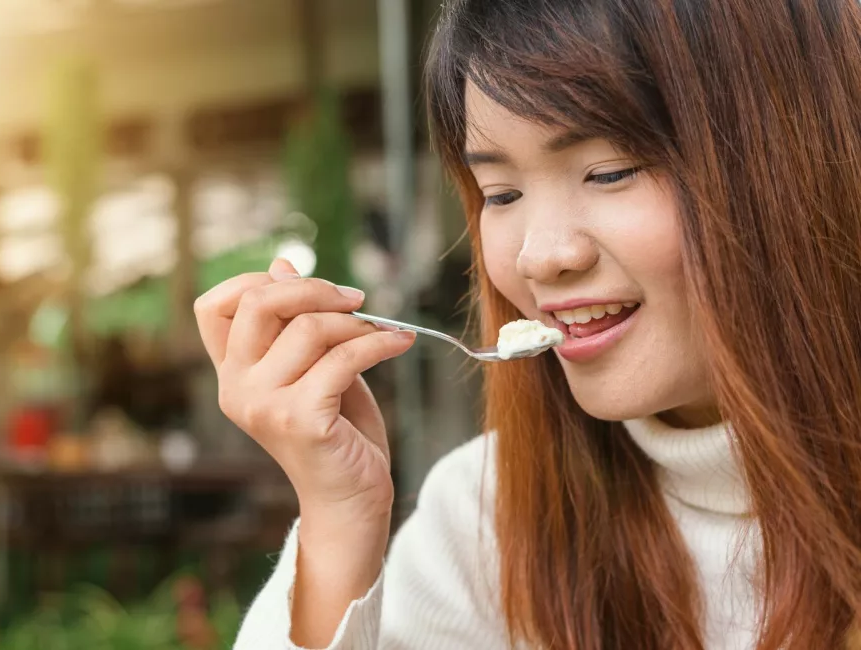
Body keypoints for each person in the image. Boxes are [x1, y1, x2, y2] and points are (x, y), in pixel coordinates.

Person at [193, 0, 861, 648]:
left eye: (609, 172)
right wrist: (339, 522)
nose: (537, 256)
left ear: (798, 160)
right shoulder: (489, 517)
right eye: (501, 195)